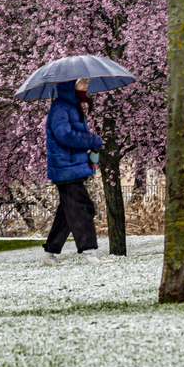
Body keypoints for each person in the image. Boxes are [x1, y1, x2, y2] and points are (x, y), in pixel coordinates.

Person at [41, 77, 112, 265]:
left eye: (87, 81)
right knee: (82, 207)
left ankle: (49, 253)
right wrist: (91, 140)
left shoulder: (72, 106)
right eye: (82, 81)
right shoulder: (61, 107)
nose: (86, 84)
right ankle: (88, 252)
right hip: (65, 168)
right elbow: (64, 136)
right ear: (68, 84)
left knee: (67, 211)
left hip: (70, 167)